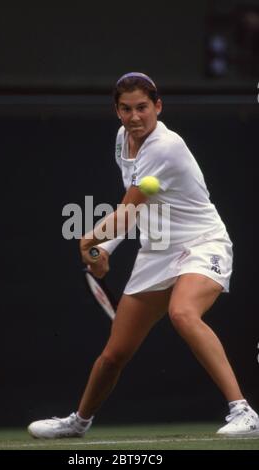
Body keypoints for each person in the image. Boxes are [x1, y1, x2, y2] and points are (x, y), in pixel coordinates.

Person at [28, 72, 259, 439]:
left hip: (202, 243)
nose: (134, 117)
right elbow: (136, 212)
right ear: (116, 111)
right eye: (126, 109)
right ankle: (79, 421)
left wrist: (87, 239)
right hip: (157, 251)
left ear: (157, 107)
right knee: (115, 353)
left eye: (142, 108)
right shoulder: (123, 139)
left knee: (182, 312)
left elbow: (125, 209)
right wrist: (103, 248)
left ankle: (243, 411)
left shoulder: (165, 147)